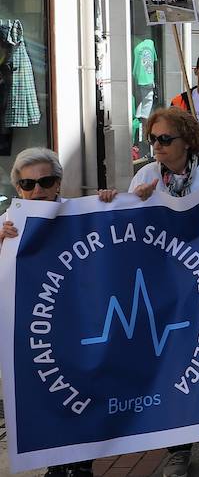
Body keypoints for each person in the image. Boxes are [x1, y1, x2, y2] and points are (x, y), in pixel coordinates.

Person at [101, 109, 199, 477]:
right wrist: (132, 202)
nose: (157, 146)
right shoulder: (146, 175)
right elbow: (132, 233)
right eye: (153, 139)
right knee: (173, 364)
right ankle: (179, 447)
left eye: (165, 139)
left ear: (187, 140)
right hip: (164, 290)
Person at [2, 150, 99, 477]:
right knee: (47, 401)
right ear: (18, 189)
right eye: (27, 184)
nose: (37, 190)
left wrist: (111, 204)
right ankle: (59, 466)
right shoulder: (7, 226)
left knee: (82, 399)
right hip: (35, 338)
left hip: (81, 329)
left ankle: (81, 464)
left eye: (45, 181)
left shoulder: (81, 214)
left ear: (58, 183)